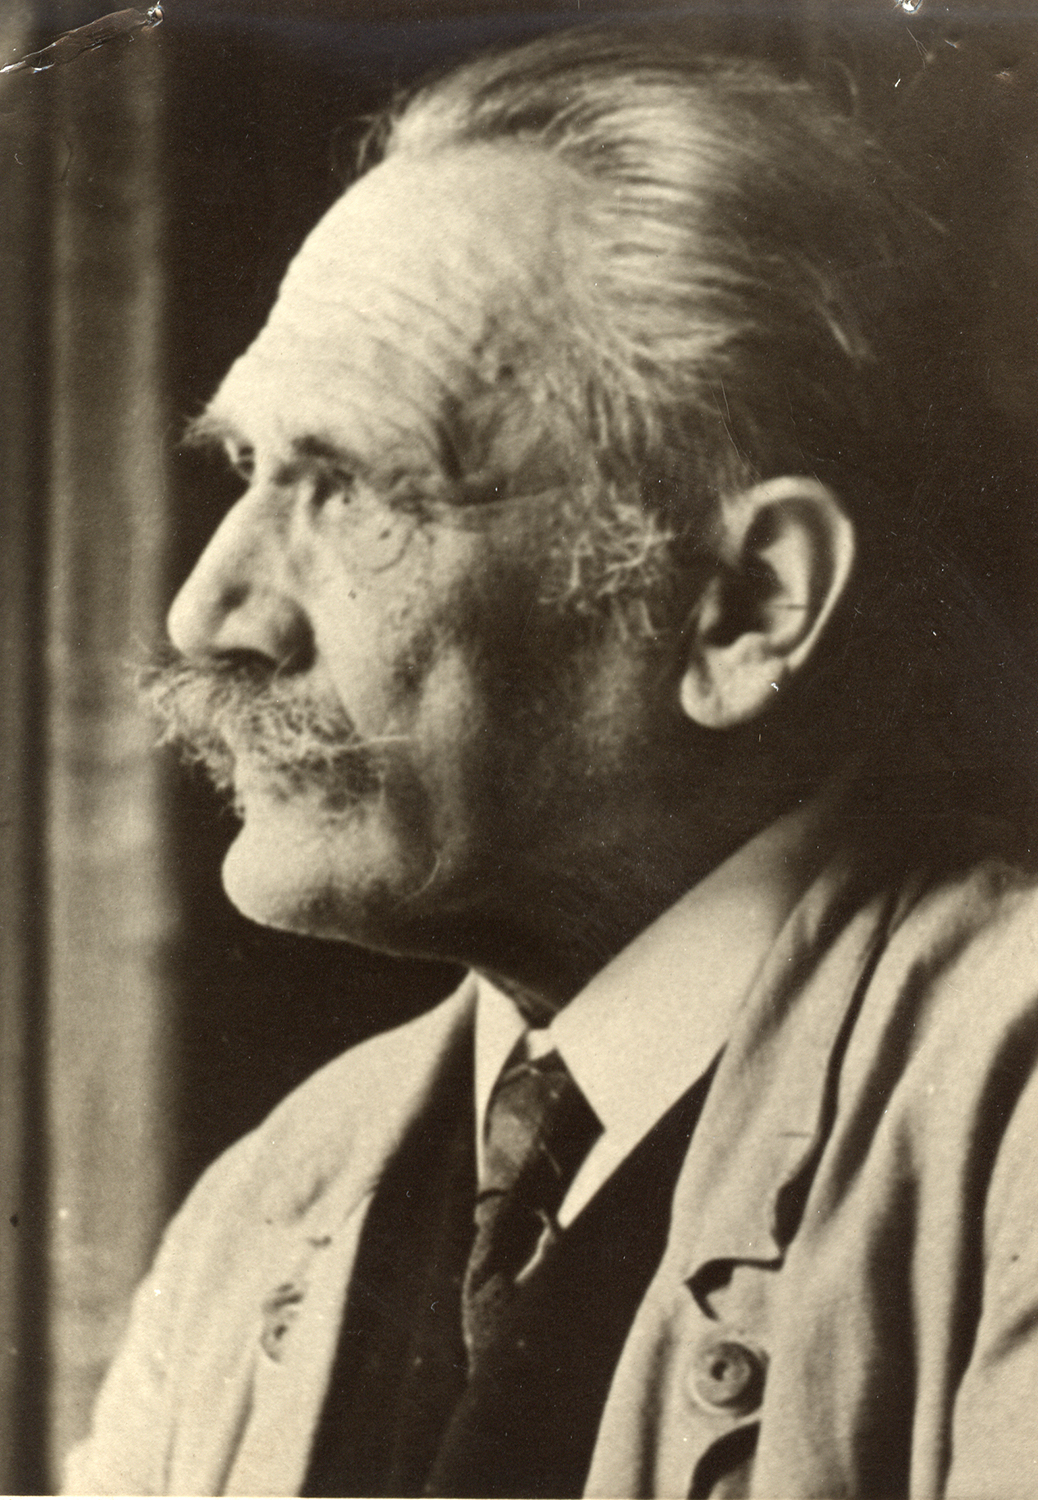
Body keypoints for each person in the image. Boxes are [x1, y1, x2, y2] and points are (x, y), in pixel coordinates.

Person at [66, 25, 1038, 1499]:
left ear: (744, 607)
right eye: (249, 471)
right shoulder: (263, 1209)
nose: (210, 613)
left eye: (354, 490)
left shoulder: (1006, 1118)